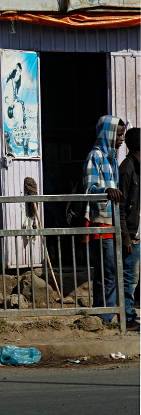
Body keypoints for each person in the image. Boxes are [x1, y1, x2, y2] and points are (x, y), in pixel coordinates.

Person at [83, 115, 125, 324]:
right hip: (100, 222)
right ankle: (103, 317)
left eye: (122, 135)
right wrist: (106, 190)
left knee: (111, 272)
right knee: (107, 272)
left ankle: (105, 316)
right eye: (118, 134)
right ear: (107, 133)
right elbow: (89, 189)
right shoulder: (95, 156)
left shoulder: (112, 159)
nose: (121, 139)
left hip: (112, 222)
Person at [119, 128, 140, 331]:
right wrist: (126, 237)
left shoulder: (137, 168)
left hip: (137, 234)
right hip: (131, 237)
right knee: (129, 279)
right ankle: (127, 318)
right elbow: (121, 206)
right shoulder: (127, 170)